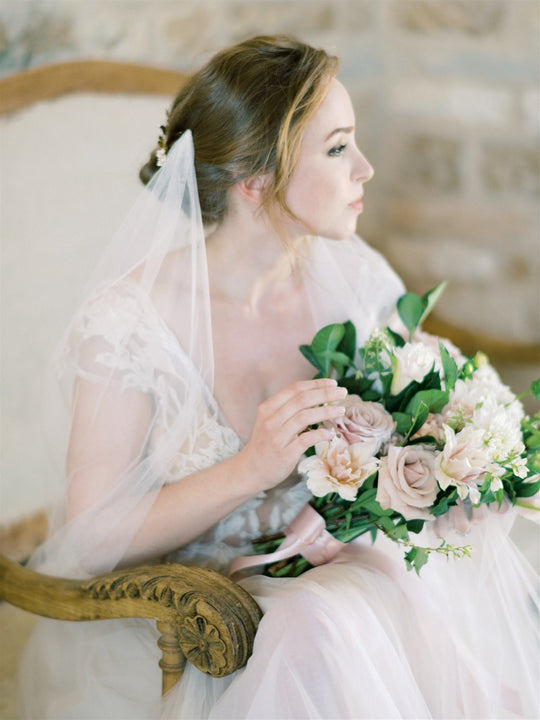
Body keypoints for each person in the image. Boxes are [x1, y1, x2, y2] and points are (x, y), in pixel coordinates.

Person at [18, 35, 539, 719]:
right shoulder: (132, 323)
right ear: (255, 180)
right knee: (322, 622)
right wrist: (251, 467)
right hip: (207, 609)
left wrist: (458, 471)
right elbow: (91, 535)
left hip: (349, 567)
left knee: (389, 591)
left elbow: (422, 418)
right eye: (337, 148)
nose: (367, 168)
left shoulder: (353, 275)